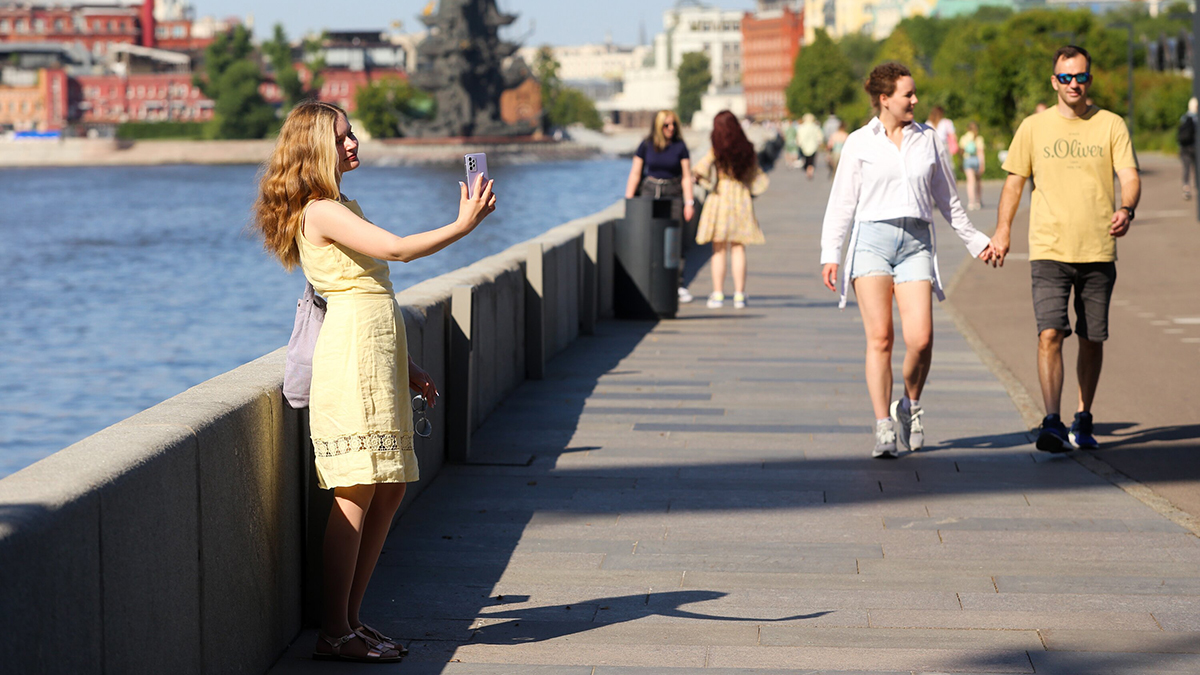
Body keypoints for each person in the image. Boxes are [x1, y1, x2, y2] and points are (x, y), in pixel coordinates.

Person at [253, 101, 497, 662]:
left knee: (388, 488)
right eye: (340, 137)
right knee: (356, 492)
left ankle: (352, 621)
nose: (352, 142)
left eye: (351, 133)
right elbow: (394, 250)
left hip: (375, 358)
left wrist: (407, 367)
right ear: (315, 148)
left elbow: (371, 291)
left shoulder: (340, 205)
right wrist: (462, 226)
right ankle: (334, 630)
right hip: (352, 362)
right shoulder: (320, 210)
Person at [820, 63, 996, 459]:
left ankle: (909, 405)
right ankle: (883, 424)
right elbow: (842, 202)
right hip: (872, 240)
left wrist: (976, 241)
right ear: (884, 99)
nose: (916, 100)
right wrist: (831, 253)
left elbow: (948, 200)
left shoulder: (928, 139)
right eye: (908, 95)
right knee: (880, 337)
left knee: (921, 338)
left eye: (915, 93)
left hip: (916, 241)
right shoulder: (860, 143)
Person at [988, 45, 1139, 453]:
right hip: (1049, 248)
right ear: (1054, 81)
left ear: (1089, 79)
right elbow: (1014, 184)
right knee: (1050, 333)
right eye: (1067, 77)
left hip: (1098, 249)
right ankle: (1052, 421)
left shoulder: (1111, 124)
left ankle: (1083, 415)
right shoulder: (1034, 127)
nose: (1075, 84)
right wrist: (1003, 230)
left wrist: (1127, 208)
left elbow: (1129, 175)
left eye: (1082, 77)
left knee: (1092, 338)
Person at [693, 110, 770, 309]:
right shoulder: (747, 149)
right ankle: (739, 295)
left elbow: (699, 170)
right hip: (741, 198)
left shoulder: (716, 149)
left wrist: (706, 183)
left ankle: (718, 294)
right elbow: (759, 179)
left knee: (718, 250)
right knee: (738, 247)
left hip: (720, 197)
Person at [626, 109, 697, 302]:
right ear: (658, 126)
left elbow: (686, 177)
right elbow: (635, 173)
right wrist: (629, 199)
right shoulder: (646, 145)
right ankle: (649, 282)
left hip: (673, 191)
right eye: (666, 125)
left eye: (674, 124)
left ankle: (677, 284)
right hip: (650, 191)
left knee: (674, 238)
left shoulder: (680, 146)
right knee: (649, 237)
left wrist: (689, 202)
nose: (671, 128)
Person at [960, 121, 986, 210]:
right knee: (978, 181)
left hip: (967, 159)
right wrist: (982, 164)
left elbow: (961, 151)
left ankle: (971, 202)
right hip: (976, 160)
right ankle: (978, 201)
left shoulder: (964, 138)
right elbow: (980, 152)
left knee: (970, 181)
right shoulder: (978, 138)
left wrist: (960, 162)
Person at [1178, 97, 1198, 200]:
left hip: (1184, 147)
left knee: (1186, 169)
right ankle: (1196, 187)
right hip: (1194, 147)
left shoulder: (1184, 117)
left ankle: (1186, 188)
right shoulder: (1196, 118)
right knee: (1196, 169)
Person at [796, 113, 825, 180]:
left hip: (804, 147)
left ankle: (807, 170)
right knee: (811, 160)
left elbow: (799, 137)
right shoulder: (815, 127)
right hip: (813, 146)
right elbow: (820, 136)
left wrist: (799, 144)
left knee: (806, 159)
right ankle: (810, 171)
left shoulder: (801, 127)